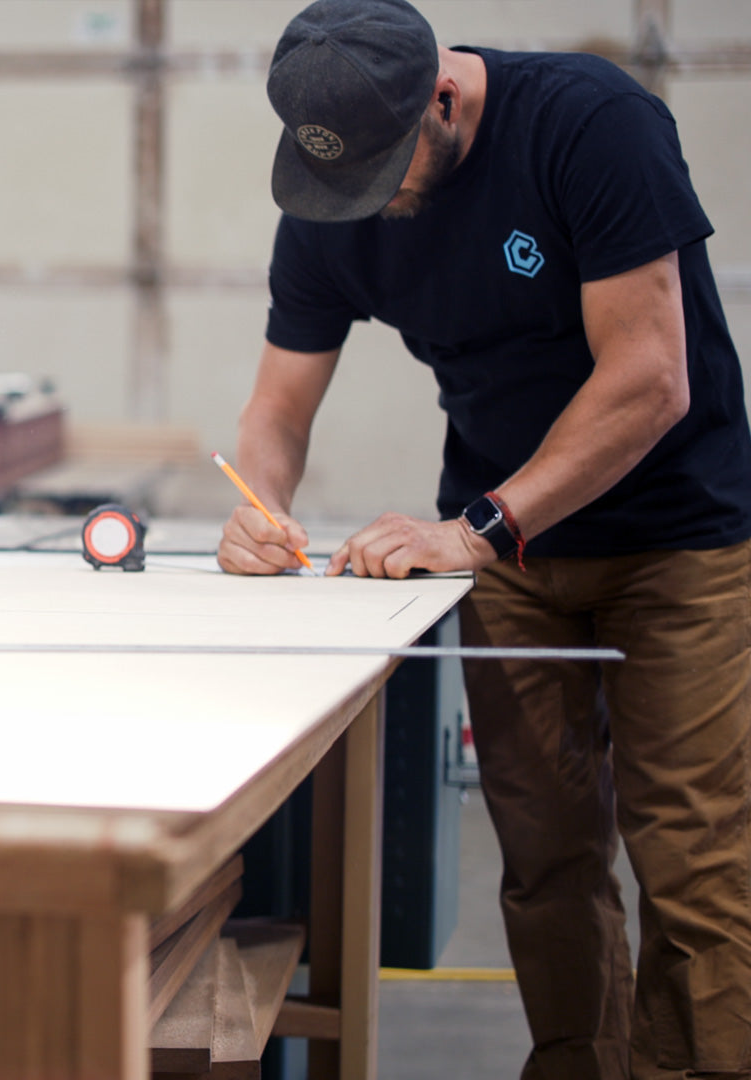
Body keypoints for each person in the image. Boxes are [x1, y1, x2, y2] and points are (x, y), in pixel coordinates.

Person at [216, 0, 751, 1077]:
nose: (369, 204)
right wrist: (260, 508)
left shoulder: (593, 126)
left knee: (693, 860)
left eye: (384, 175)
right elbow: (276, 413)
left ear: (444, 101)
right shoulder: (335, 193)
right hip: (506, 553)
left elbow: (649, 380)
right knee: (546, 859)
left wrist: (477, 529)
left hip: (676, 540)